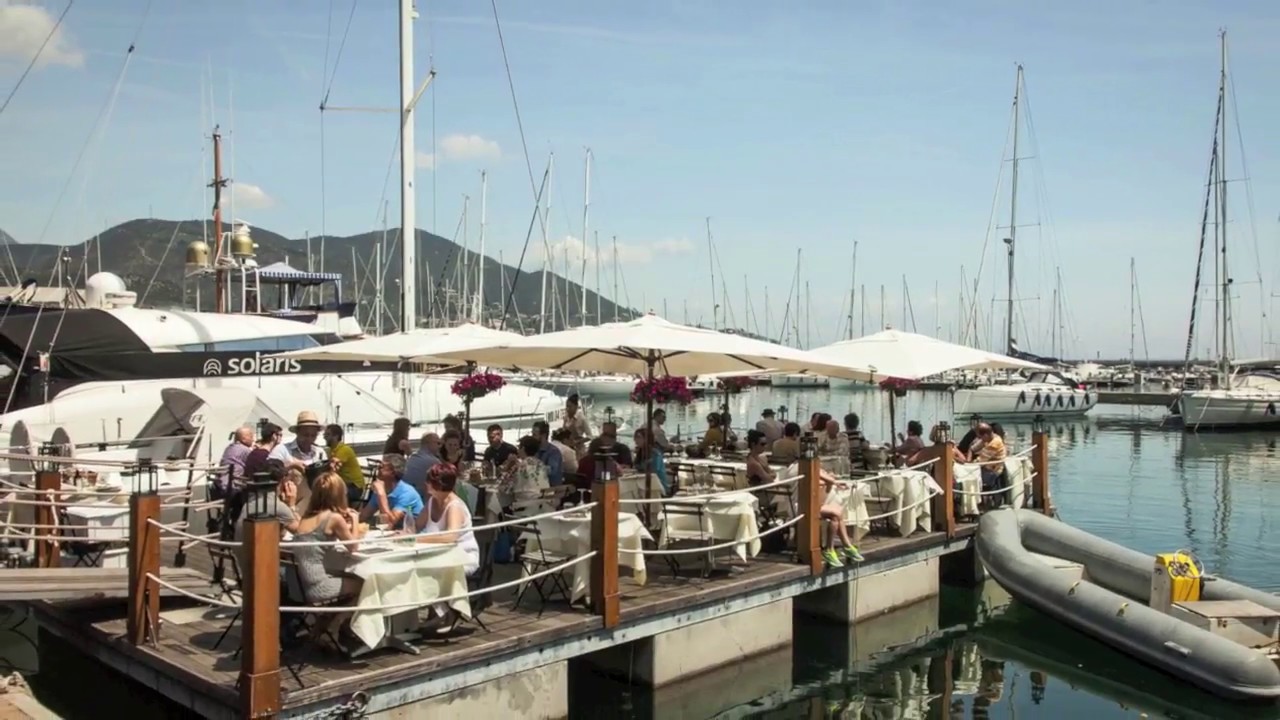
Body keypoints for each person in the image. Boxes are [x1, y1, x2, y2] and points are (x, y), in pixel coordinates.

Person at [290, 472, 365, 641]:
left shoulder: (306, 518)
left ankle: (322, 629)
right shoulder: (333, 518)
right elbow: (353, 546)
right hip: (320, 587)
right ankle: (334, 628)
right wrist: (355, 519)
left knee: (350, 576)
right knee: (366, 585)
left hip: (304, 585)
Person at [414, 463, 481, 633]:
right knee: (413, 568)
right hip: (439, 555)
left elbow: (451, 536)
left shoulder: (455, 506)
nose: (426, 484)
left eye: (429, 481)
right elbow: (416, 526)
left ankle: (447, 613)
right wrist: (402, 534)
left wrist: (417, 539)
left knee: (428, 570)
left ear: (438, 484)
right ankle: (438, 613)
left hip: (463, 556)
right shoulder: (431, 501)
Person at [360, 454, 424, 531]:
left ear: (393, 472)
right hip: (395, 533)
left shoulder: (407, 493)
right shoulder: (382, 489)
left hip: (413, 535)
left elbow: (390, 522)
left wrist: (381, 494)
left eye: (381, 467)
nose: (378, 469)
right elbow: (364, 516)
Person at [269, 411, 329, 481]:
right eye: (305, 435)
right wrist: (291, 466)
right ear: (297, 432)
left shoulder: (319, 452)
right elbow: (270, 472)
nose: (309, 439)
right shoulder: (282, 450)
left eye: (313, 435)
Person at [324, 424, 366, 504]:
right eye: (324, 434)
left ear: (336, 436)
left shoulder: (344, 450)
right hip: (345, 485)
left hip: (355, 488)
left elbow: (333, 468)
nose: (324, 437)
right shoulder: (331, 450)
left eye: (327, 434)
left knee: (329, 495)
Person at [217, 426, 254, 497]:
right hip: (235, 486)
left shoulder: (229, 448)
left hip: (222, 483)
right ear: (243, 439)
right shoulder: (245, 450)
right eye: (251, 437)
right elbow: (253, 466)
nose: (253, 440)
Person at [971, 423, 1007, 494]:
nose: (980, 439)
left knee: (968, 478)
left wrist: (966, 463)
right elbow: (973, 448)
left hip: (993, 471)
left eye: (980, 437)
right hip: (986, 467)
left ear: (985, 435)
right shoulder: (991, 437)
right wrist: (968, 459)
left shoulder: (994, 443)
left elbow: (980, 461)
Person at [632, 427, 669, 496]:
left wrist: (638, 470)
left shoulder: (655, 453)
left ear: (646, 438)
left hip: (656, 484)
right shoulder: (640, 452)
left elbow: (654, 470)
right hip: (642, 482)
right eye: (635, 437)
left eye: (639, 437)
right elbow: (636, 466)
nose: (636, 440)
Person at [531, 421, 564, 486]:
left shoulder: (553, 452)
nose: (532, 437)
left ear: (544, 435)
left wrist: (531, 468)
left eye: (534, 435)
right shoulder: (535, 450)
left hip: (551, 489)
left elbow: (552, 471)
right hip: (538, 487)